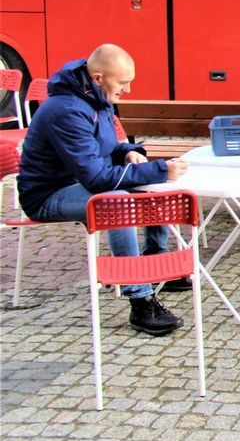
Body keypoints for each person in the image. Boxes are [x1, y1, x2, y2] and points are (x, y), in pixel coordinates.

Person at [16, 45, 190, 335]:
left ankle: (155, 261)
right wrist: (160, 168)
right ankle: (141, 301)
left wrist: (128, 152)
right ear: (97, 78)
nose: (129, 90)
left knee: (149, 186)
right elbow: (97, 179)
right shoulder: (67, 111)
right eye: (123, 83)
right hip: (47, 195)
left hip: (77, 183)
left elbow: (104, 149)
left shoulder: (94, 98)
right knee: (117, 201)